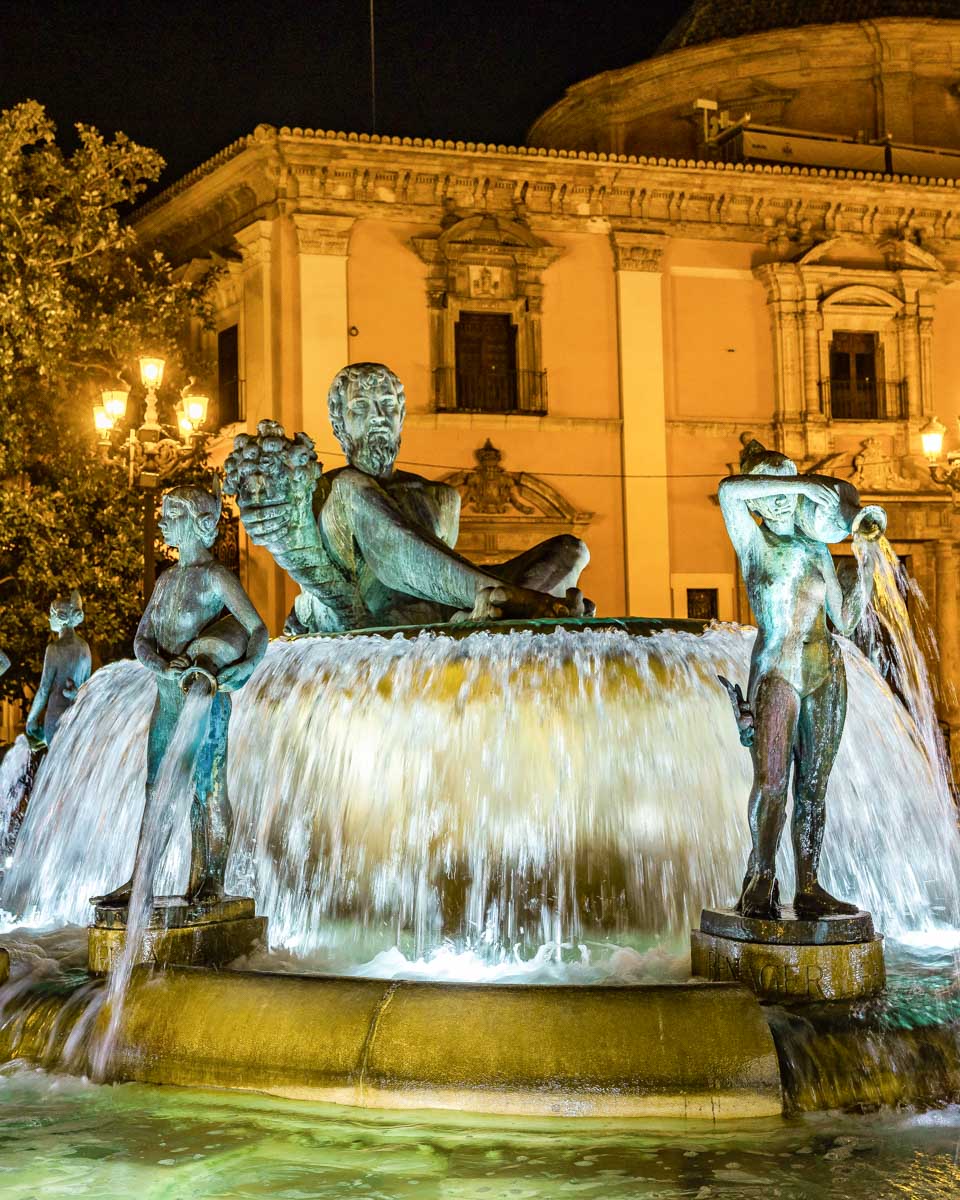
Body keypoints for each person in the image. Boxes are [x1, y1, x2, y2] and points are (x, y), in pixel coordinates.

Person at [225, 363, 591, 633]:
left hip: (439, 615)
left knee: (571, 549)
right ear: (339, 423)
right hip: (358, 618)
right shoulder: (326, 490)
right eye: (361, 408)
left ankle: (501, 606)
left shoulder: (440, 497)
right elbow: (297, 542)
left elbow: (434, 577)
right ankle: (515, 601)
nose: (378, 417)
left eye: (387, 406)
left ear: (401, 418)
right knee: (353, 486)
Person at [718, 441, 883, 920]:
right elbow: (729, 490)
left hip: (826, 675)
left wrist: (866, 562)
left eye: (784, 490)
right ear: (757, 502)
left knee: (813, 787)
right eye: (769, 492)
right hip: (777, 673)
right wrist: (802, 483)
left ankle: (809, 884)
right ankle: (760, 877)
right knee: (772, 784)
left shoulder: (815, 549)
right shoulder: (753, 543)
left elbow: (845, 620)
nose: (778, 501)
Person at [93, 484, 267, 907]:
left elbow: (257, 629)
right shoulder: (167, 580)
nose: (163, 521)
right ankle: (142, 881)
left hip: (204, 701)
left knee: (206, 790)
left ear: (198, 523)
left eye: (172, 514)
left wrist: (244, 668)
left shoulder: (215, 577)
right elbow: (142, 639)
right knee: (157, 791)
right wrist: (158, 664)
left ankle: (210, 880)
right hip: (167, 702)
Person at [25, 591, 91, 748]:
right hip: (77, 719)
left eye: (51, 615)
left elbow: (43, 690)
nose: (49, 619)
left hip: (56, 717)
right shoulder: (85, 648)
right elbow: (87, 688)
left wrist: (31, 719)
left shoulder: (54, 649)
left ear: (61, 618)